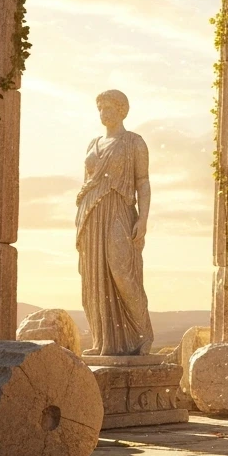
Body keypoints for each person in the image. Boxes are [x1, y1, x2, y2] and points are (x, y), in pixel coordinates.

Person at [76, 89, 153, 356]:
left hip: (120, 210)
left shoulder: (134, 142)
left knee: (122, 273)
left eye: (109, 108)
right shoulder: (92, 143)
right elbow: (85, 184)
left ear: (122, 110)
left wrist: (143, 219)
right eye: (100, 108)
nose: (103, 113)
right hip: (91, 213)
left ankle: (142, 333)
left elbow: (142, 182)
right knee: (94, 276)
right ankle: (103, 340)